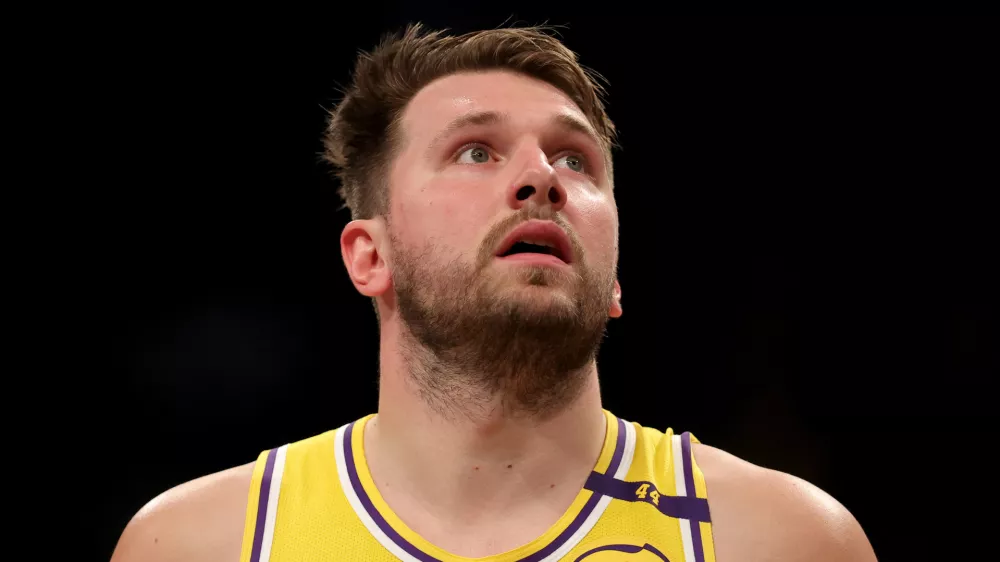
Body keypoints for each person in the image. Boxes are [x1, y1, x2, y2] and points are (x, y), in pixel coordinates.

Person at [111, 23, 877, 562]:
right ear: (369, 255)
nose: (542, 176)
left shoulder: (780, 539)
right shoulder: (203, 543)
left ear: (613, 279)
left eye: (575, 160)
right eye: (475, 150)